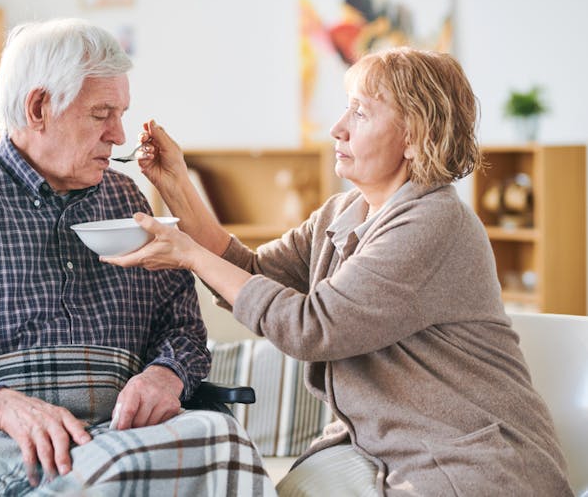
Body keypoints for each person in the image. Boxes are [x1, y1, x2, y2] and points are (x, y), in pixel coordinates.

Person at [104, 47, 573, 495]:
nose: (337, 128)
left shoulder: (435, 222)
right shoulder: (343, 212)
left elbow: (313, 328)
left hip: (465, 462)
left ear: (414, 136)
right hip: (386, 450)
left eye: (361, 113)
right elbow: (251, 273)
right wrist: (178, 184)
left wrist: (189, 253)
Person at [0, 18, 275, 496]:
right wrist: (0, 403)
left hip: (120, 436)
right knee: (116, 470)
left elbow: (181, 328)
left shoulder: (126, 201)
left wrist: (165, 375)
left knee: (227, 439)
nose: (119, 135)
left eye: (121, 114)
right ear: (39, 107)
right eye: (101, 114)